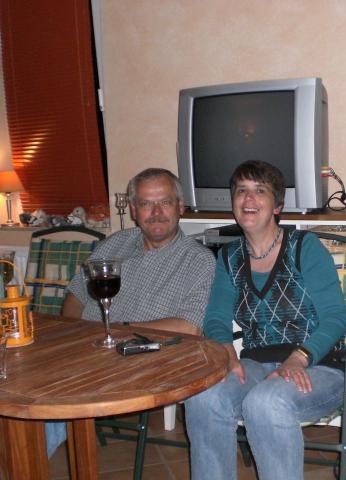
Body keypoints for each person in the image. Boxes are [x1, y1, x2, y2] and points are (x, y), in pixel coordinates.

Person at [185, 160, 346, 480]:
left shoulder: (304, 247)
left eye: (260, 191)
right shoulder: (229, 257)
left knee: (266, 402)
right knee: (204, 396)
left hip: (318, 365)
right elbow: (216, 317)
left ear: (277, 206)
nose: (248, 199)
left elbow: (335, 318)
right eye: (241, 191)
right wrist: (227, 354)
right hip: (256, 364)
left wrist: (299, 358)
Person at [46, 167, 216, 457]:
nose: (156, 212)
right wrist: (74, 335)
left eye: (164, 202)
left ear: (180, 206)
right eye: (146, 203)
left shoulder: (198, 260)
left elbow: (190, 326)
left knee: (53, 392)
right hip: (84, 347)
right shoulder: (115, 244)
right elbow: (76, 294)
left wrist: (118, 331)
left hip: (138, 357)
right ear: (134, 210)